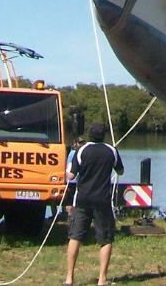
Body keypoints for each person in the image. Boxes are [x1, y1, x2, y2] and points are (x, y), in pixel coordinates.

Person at [65, 121, 124, 286]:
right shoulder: (111, 151)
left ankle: (69, 278)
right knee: (105, 239)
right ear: (104, 135)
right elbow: (120, 170)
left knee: (75, 236)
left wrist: (65, 169)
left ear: (89, 134)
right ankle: (102, 279)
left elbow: (70, 176)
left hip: (82, 199)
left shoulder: (81, 150)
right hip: (103, 200)